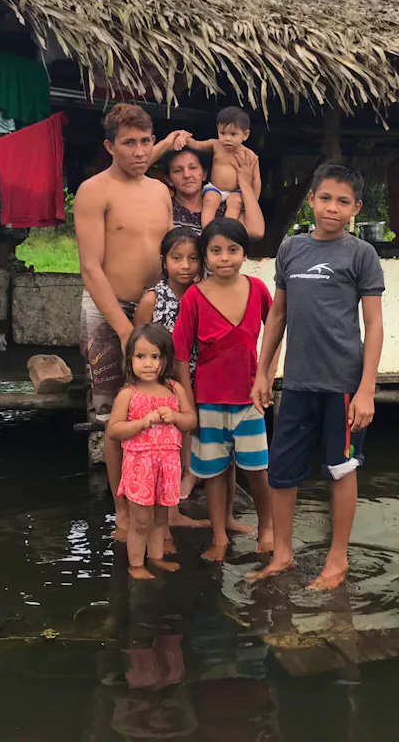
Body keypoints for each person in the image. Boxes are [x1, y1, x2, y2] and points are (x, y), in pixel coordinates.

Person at [249, 163, 385, 590]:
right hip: (298, 383)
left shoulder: (360, 254)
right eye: (325, 198)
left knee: (342, 469)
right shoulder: (291, 249)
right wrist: (263, 370)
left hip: (343, 385)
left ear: (355, 208)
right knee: (281, 470)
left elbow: (374, 325)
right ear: (311, 199)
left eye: (343, 201)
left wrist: (366, 390)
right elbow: (278, 313)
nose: (332, 207)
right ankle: (283, 555)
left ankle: (338, 560)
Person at [76, 103, 173, 541]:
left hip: (154, 307)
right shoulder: (94, 191)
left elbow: (171, 257)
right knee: (110, 411)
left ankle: (159, 505)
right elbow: (91, 267)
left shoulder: (160, 191)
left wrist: (163, 309)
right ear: (109, 146)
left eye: (145, 142)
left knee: (159, 402)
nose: (138, 151)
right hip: (107, 306)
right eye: (128, 143)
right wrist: (122, 328)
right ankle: (118, 505)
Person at [172, 218, 274, 561]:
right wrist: (187, 401)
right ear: (205, 256)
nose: (225, 258)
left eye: (233, 250)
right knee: (213, 472)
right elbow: (181, 354)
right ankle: (219, 536)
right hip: (208, 401)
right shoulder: (195, 298)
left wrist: (268, 376)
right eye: (215, 251)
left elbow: (274, 334)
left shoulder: (258, 289)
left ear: (244, 253)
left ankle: (268, 528)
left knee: (257, 470)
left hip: (249, 399)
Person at [106, 323, 198, 580]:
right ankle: (136, 565)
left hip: (167, 467)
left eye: (155, 357)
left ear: (165, 359)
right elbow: (114, 429)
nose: (147, 364)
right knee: (141, 521)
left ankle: (156, 558)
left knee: (161, 518)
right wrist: (141, 422)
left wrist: (177, 417)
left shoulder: (174, 390)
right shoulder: (128, 394)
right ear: (130, 359)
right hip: (140, 468)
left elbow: (191, 422)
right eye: (140, 356)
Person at [169, 107, 261, 228]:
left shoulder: (250, 155)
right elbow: (196, 144)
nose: (227, 138)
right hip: (214, 188)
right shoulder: (215, 145)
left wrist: (253, 201)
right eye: (223, 133)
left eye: (233, 134)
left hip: (235, 191)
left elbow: (256, 180)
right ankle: (207, 229)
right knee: (209, 201)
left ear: (245, 135)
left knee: (236, 204)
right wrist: (182, 138)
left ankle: (227, 230)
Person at [163, 146, 265, 239]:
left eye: (193, 168)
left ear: (204, 174)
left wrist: (244, 182)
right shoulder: (166, 208)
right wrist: (167, 143)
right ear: (169, 179)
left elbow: (256, 231)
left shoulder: (224, 208)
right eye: (178, 170)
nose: (187, 175)